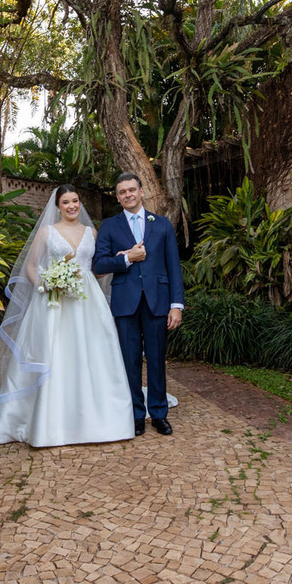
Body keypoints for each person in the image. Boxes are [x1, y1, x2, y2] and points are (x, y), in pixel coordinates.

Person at [0, 185, 135, 447]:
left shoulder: (92, 232)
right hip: (54, 302)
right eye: (66, 202)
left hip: (88, 301)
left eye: (75, 201)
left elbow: (97, 268)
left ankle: (101, 420)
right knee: (56, 355)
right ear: (57, 206)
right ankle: (48, 422)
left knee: (94, 354)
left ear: (80, 203)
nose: (71, 206)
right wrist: (47, 286)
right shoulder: (46, 233)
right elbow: (31, 268)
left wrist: (121, 258)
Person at [93, 172, 185, 436]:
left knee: (157, 360)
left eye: (131, 190)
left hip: (158, 301)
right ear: (118, 197)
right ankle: (134, 414)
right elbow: (99, 264)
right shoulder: (110, 226)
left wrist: (176, 304)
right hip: (125, 303)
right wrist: (126, 259)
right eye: (122, 192)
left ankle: (158, 413)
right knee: (129, 361)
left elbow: (173, 267)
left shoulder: (163, 224)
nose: (127, 195)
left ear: (142, 191)